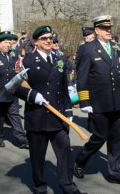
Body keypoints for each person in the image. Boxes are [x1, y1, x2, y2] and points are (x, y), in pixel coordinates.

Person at [7, 25, 84, 194]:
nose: (48, 41)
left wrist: (69, 112)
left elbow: (64, 89)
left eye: (50, 38)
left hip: (58, 116)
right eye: (44, 39)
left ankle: (68, 186)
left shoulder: (60, 59)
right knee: (37, 157)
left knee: (65, 152)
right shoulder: (26, 61)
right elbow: (13, 87)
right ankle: (40, 187)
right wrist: (32, 96)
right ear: (36, 42)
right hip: (37, 117)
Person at [74, 15, 120, 187]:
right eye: (105, 28)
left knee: (116, 138)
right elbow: (82, 77)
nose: (109, 31)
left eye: (110, 28)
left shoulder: (115, 48)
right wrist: (84, 102)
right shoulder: (87, 49)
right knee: (99, 137)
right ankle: (80, 160)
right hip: (98, 103)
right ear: (97, 30)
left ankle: (115, 172)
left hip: (116, 102)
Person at [0, 31, 28, 149]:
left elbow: (15, 70)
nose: (9, 45)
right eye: (6, 42)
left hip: (12, 91)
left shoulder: (13, 54)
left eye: (10, 43)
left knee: (15, 115)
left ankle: (22, 139)